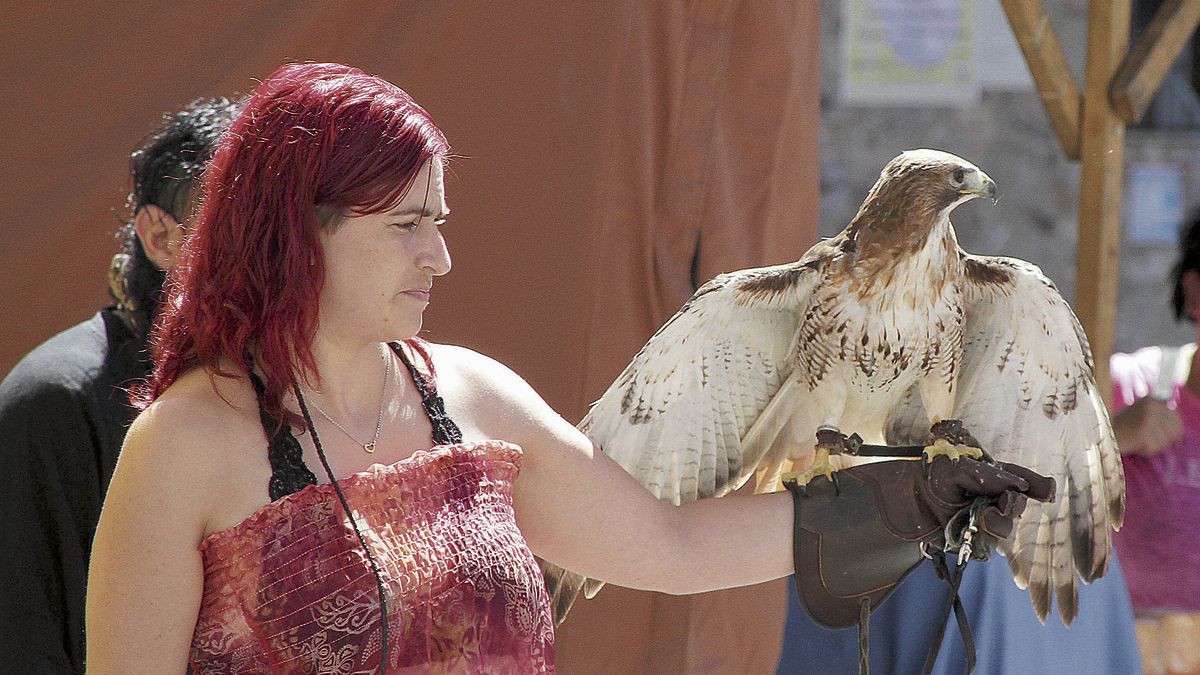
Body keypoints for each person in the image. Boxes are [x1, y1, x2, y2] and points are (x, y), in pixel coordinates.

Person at [84, 63, 1051, 674]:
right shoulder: (183, 448)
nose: (441, 258)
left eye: (442, 224)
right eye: (408, 227)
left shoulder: (471, 396)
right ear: (300, 233)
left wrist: (906, 501)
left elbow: (670, 547)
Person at [0, 98, 239, 673]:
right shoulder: (57, 403)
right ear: (161, 236)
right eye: (242, 230)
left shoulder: (294, 389)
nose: (278, 260)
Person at [1109, 213, 1200, 675]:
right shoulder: (1129, 387)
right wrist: (1109, 436)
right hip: (1125, 657)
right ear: (1195, 290)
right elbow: (1020, 478)